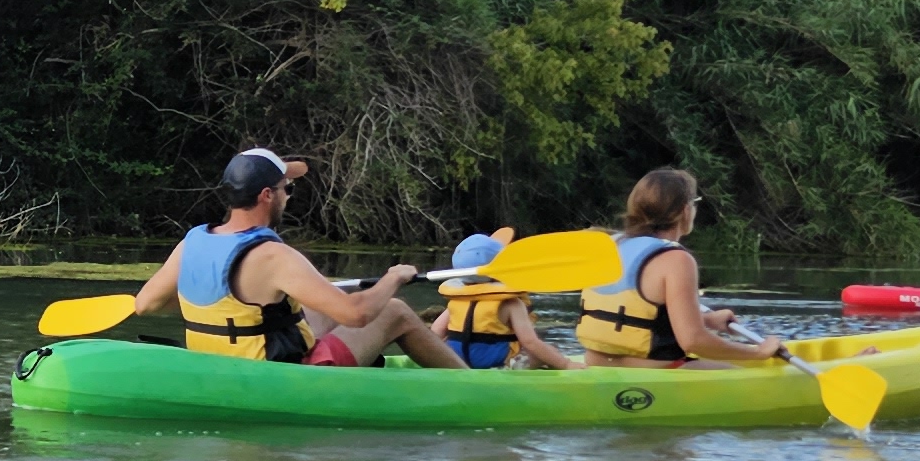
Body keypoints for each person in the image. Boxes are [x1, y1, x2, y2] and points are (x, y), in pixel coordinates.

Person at [128, 147, 469, 368]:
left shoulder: (191, 243)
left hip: (219, 362)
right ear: (266, 195)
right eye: (286, 189)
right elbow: (357, 314)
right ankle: (476, 384)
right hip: (279, 375)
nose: (289, 197)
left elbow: (145, 305)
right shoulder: (275, 255)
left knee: (319, 304)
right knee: (393, 311)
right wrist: (393, 278)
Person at [575, 169, 776, 365]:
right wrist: (758, 352)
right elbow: (694, 341)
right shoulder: (677, 260)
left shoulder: (610, 245)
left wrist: (705, 320)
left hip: (597, 365)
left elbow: (644, 314)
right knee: (747, 376)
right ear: (685, 210)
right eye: (695, 203)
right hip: (655, 371)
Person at [434, 229, 577, 370]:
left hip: (458, 362)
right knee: (547, 351)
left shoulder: (457, 300)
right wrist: (565, 364)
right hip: (499, 367)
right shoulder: (511, 303)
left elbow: (436, 331)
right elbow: (530, 342)